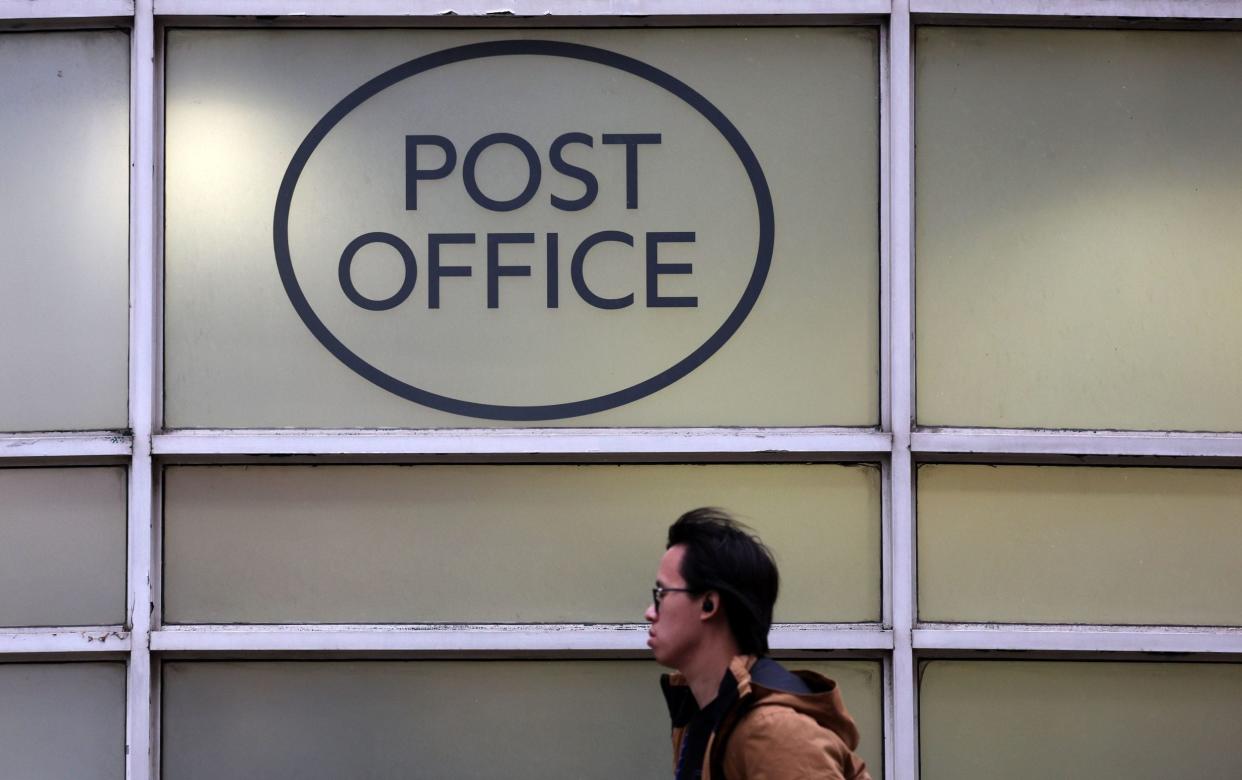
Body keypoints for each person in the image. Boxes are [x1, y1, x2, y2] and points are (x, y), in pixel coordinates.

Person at [645, 507, 871, 780]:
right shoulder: (705, 716)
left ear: (708, 604)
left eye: (661, 593)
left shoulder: (774, 732)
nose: (650, 611)